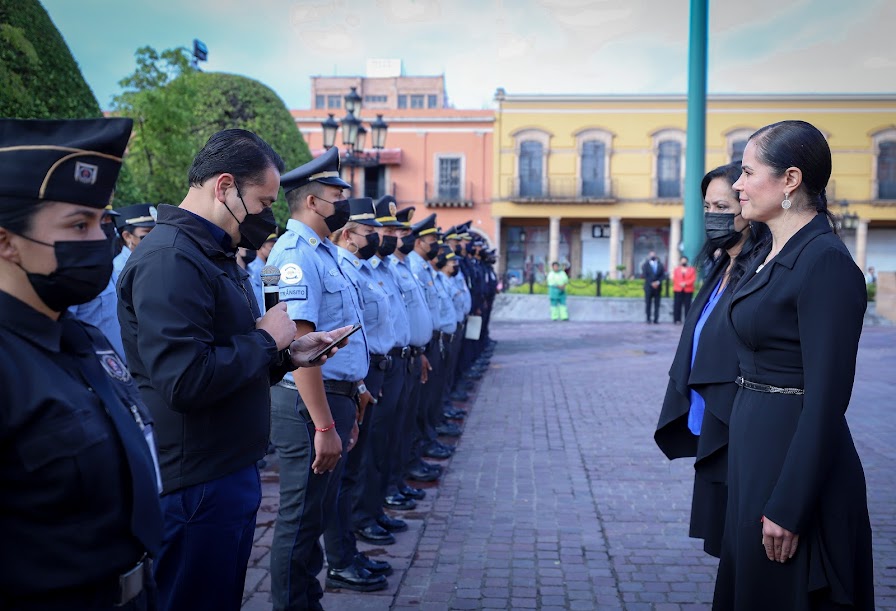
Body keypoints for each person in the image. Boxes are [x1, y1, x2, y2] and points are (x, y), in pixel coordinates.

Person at [117, 129, 346, 611]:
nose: (268, 215)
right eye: (262, 201)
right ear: (224, 187)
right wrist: (267, 340)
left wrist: (288, 355)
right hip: (197, 479)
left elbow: (225, 354)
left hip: (225, 469)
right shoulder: (170, 260)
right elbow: (185, 380)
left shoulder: (207, 252)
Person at [0, 117, 163, 609]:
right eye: (77, 225)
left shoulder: (86, 341)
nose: (99, 241)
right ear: (6, 242)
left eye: (100, 224)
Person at [712, 120, 874, 609]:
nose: (737, 185)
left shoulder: (824, 262)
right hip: (757, 447)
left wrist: (790, 505)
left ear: (790, 180)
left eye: (747, 172)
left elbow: (827, 400)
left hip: (792, 461)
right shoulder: (768, 250)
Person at [267, 147, 376, 611]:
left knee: (314, 516)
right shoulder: (293, 254)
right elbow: (299, 349)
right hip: (309, 404)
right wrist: (326, 425)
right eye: (337, 195)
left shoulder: (325, 252)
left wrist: (358, 388)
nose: (344, 204)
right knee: (299, 519)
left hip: (337, 395)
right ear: (312, 202)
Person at [654, 162, 768, 558]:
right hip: (712, 422)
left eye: (722, 207)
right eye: (707, 207)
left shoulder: (761, 269)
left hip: (739, 427)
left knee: (741, 545)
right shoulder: (721, 265)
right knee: (727, 547)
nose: (712, 217)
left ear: (747, 208)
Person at [112, 203, 156, 284]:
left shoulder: (155, 258)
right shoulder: (119, 269)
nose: (154, 236)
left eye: (155, 231)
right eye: (147, 231)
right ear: (127, 236)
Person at [642, 250, 665, 323]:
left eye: (653, 254)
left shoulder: (660, 265)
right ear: (649, 255)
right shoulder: (645, 265)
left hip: (658, 288)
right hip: (648, 287)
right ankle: (648, 319)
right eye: (651, 255)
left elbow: (663, 275)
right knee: (648, 303)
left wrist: (657, 282)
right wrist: (651, 283)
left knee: (657, 304)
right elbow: (645, 275)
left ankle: (656, 319)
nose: (652, 256)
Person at [671, 255, 696, 324]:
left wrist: (686, 283)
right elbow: (674, 278)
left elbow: (693, 278)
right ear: (680, 261)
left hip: (688, 289)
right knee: (677, 305)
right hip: (678, 289)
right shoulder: (676, 269)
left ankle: (687, 320)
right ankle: (677, 319)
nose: (683, 262)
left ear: (687, 261)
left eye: (685, 260)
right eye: (682, 260)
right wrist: (680, 283)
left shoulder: (691, 269)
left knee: (687, 305)